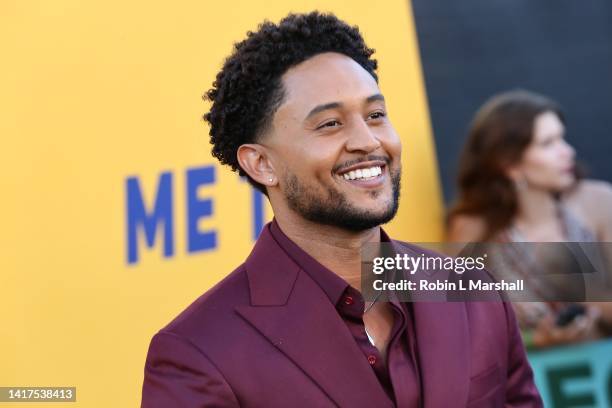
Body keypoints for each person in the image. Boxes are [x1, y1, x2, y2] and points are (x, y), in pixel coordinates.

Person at [141, 13, 542, 407]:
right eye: (330, 124)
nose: (368, 141)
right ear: (261, 164)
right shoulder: (199, 354)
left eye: (375, 115)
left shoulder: (474, 293)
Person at [447, 89, 612, 349]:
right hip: (535, 380)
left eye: (562, 139)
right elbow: (466, 333)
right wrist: (537, 340)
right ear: (509, 164)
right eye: (548, 144)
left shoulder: (598, 201)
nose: (567, 151)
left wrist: (590, 302)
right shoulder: (473, 229)